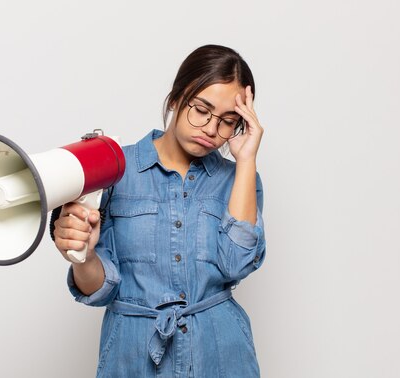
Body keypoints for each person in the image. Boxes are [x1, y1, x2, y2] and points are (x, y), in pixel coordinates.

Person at [51, 44, 266, 377]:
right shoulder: (112, 169)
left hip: (220, 355)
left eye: (228, 121)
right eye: (202, 110)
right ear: (176, 99)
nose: (211, 129)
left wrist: (247, 159)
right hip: (131, 356)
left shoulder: (239, 179)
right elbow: (100, 290)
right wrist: (84, 254)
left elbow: (235, 264)